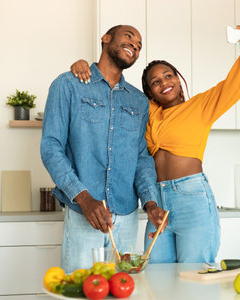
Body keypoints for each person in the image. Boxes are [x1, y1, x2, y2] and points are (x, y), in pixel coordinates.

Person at [70, 24, 240, 263]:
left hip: (191, 197)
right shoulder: (147, 110)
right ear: (150, 93)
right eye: (155, 82)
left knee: (194, 275)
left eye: (168, 76)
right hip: (156, 202)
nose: (163, 83)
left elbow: (234, 84)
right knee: (155, 275)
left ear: (179, 80)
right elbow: (113, 86)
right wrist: (85, 68)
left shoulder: (200, 107)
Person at [41, 25, 167, 273]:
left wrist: (150, 202)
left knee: (123, 290)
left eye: (140, 45)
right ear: (106, 38)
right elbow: (50, 148)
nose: (135, 45)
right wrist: (84, 198)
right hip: (82, 213)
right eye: (129, 37)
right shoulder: (68, 85)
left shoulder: (138, 101)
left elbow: (141, 158)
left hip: (127, 217)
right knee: (80, 289)